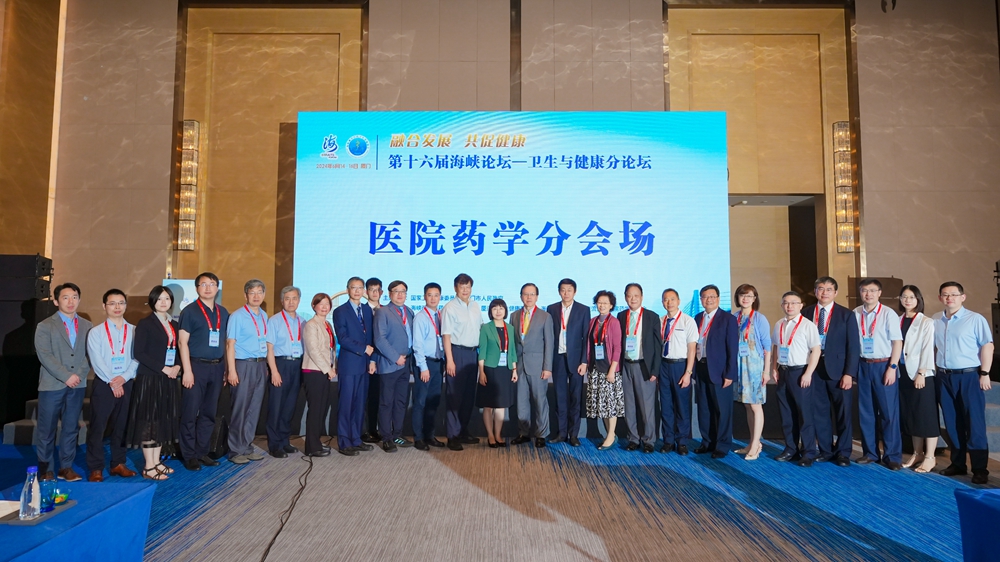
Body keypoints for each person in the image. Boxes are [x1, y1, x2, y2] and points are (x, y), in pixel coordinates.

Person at [933, 281, 994, 485]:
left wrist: (985, 373)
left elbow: (987, 346)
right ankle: (958, 463)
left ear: (962, 297)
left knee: (974, 423)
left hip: (969, 376)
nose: (949, 298)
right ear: (940, 298)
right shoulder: (936, 319)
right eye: (945, 294)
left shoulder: (975, 319)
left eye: (954, 294)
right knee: (952, 422)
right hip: (944, 376)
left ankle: (980, 468)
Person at [34, 282, 92, 482]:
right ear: (56, 301)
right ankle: (46, 469)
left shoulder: (87, 325)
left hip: (77, 385)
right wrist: (66, 376)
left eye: (74, 297)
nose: (70, 301)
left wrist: (79, 374)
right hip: (52, 385)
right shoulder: (45, 326)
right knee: (47, 430)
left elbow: (90, 354)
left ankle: (66, 467)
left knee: (71, 428)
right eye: (65, 297)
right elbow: (45, 355)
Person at [126, 285, 181, 480]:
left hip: (168, 379)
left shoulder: (174, 324)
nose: (163, 302)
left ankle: (157, 462)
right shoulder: (145, 323)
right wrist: (163, 368)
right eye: (159, 299)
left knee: (161, 421)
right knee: (149, 422)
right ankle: (148, 466)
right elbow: (139, 353)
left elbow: (178, 349)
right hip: (150, 378)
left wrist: (177, 366)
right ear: (152, 302)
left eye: (167, 298)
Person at [803, 276, 859, 467]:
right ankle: (826, 450)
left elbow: (853, 347)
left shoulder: (846, 315)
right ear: (815, 291)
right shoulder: (806, 313)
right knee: (819, 412)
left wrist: (849, 373)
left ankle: (843, 452)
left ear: (835, 293)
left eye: (828, 289)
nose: (824, 292)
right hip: (814, 369)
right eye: (820, 288)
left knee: (843, 412)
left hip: (839, 371)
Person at [84, 289, 138, 482]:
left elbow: (137, 358)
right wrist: (113, 381)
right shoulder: (96, 332)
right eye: (112, 303)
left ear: (125, 305)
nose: (117, 307)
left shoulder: (134, 331)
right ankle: (96, 467)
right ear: (104, 306)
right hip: (104, 383)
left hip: (127, 382)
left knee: (122, 425)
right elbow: (96, 360)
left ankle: (118, 463)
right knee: (98, 427)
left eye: (121, 303)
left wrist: (123, 378)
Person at [178, 272, 230, 471]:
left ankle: (202, 452)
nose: (208, 288)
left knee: (209, 412)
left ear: (217, 288)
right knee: (190, 412)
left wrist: (225, 369)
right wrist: (187, 371)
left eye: (212, 284)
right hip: (196, 367)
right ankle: (189, 455)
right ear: (197, 288)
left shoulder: (223, 312)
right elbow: (182, 343)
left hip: (217, 367)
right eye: (203, 284)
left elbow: (225, 342)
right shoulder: (189, 311)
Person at [853, 278, 904, 469]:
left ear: (879, 293)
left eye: (872, 290)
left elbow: (897, 342)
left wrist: (892, 367)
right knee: (866, 412)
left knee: (889, 413)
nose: (868, 294)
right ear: (860, 293)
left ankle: (892, 456)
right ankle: (871, 453)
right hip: (863, 365)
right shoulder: (855, 313)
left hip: (884, 365)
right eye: (865, 290)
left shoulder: (888, 314)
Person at [772, 291, 822, 467]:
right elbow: (776, 347)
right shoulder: (779, 324)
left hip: (800, 372)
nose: (789, 306)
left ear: (801, 305)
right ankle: (790, 449)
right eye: (786, 302)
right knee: (786, 413)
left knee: (804, 414)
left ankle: (808, 452)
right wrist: (774, 367)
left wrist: (808, 373)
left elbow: (816, 350)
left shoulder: (808, 325)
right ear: (782, 305)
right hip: (783, 371)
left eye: (794, 302)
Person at [225, 279, 270, 465]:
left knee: (254, 408)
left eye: (259, 292)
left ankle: (247, 446)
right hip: (243, 365)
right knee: (240, 408)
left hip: (260, 365)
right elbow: (230, 344)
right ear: (246, 295)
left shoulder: (264, 316)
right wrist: (231, 371)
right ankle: (235, 450)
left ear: (264, 295)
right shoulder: (237, 316)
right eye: (252, 292)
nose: (256, 296)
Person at [332, 278, 376, 455]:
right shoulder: (340, 311)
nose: (357, 291)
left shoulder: (367, 309)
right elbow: (342, 338)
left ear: (364, 290)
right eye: (353, 288)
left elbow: (371, 336)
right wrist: (363, 348)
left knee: (359, 404)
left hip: (365, 364)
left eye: (360, 288)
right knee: (346, 404)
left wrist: (372, 360)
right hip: (349, 364)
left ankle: (356, 439)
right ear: (347, 289)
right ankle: (344, 442)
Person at [693, 284, 739, 459]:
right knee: (704, 408)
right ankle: (707, 442)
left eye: (712, 296)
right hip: (701, 367)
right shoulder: (697, 318)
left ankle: (722, 445)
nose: (709, 299)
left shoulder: (728, 319)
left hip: (720, 372)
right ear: (701, 300)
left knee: (722, 410)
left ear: (718, 299)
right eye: (705, 297)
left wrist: (730, 374)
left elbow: (732, 349)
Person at [897, 285, 937, 473]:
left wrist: (922, 372)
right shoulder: (897, 320)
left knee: (926, 415)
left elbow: (927, 349)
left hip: (920, 374)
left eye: (912, 297)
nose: (907, 300)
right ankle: (917, 453)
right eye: (904, 297)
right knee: (911, 414)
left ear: (918, 299)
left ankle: (930, 457)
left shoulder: (926, 322)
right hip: (902, 373)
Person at [617, 283, 662, 453]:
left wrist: (655, 371)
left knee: (646, 407)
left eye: (636, 295)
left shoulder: (652, 316)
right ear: (625, 297)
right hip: (626, 366)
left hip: (644, 367)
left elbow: (658, 346)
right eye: (629, 295)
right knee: (629, 406)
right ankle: (633, 439)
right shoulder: (621, 316)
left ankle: (649, 440)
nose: (633, 299)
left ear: (642, 297)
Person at [546, 278, 590, 446]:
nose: (566, 293)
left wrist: (584, 361)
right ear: (559, 292)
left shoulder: (583, 310)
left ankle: (573, 435)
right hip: (558, 358)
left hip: (576, 360)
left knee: (575, 398)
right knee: (560, 397)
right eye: (563, 290)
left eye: (569, 290)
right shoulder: (552, 309)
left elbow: (586, 337)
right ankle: (561, 432)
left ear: (575, 292)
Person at [373, 280, 416, 452]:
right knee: (386, 402)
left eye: (403, 291)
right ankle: (386, 438)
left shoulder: (410, 311)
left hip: (406, 364)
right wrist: (395, 357)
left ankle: (397, 434)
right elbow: (379, 339)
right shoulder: (382, 312)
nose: (400, 294)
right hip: (390, 363)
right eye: (396, 291)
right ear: (389, 293)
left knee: (400, 401)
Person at [442, 273, 483, 451]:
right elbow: (446, 336)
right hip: (457, 353)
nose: (465, 290)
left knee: (468, 396)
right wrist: (450, 360)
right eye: (461, 286)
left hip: (473, 354)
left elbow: (481, 329)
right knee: (454, 397)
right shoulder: (450, 308)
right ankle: (452, 436)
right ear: (455, 288)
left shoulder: (475, 306)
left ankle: (463, 431)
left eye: (468, 287)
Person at [731, 284, 772, 461]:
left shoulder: (760, 319)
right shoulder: (734, 317)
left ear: (755, 298)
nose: (745, 299)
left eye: (749, 296)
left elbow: (767, 347)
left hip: (755, 367)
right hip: (739, 365)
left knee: (755, 405)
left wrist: (766, 371)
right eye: (742, 295)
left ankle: (756, 444)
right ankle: (751, 442)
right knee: (747, 405)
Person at [511, 284, 554, 448]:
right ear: (521, 296)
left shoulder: (545, 316)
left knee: (540, 401)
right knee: (521, 401)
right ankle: (523, 433)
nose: (528, 297)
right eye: (525, 294)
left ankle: (541, 434)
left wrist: (547, 367)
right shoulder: (514, 316)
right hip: (520, 365)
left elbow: (549, 344)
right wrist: (513, 366)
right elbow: (513, 343)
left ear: (537, 296)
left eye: (532, 294)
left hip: (538, 366)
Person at [657, 289, 698, 455]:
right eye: (666, 299)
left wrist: (688, 372)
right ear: (662, 303)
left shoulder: (688, 321)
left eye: (672, 299)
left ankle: (682, 442)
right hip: (663, 366)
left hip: (681, 367)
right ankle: (668, 440)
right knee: (666, 406)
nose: (669, 302)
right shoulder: (660, 321)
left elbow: (692, 349)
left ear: (679, 301)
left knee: (682, 406)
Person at [265, 286, 304, 458]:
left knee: (289, 405)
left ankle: (284, 441)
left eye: (294, 298)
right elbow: (269, 348)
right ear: (282, 301)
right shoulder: (274, 321)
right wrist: (274, 371)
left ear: (299, 301)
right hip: (280, 364)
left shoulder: (303, 321)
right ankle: (274, 445)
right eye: (287, 298)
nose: (291, 302)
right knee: (276, 406)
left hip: (297, 364)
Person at [584, 291, 624, 450]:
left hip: (609, 369)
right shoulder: (593, 321)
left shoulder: (614, 322)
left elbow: (617, 348)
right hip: (595, 368)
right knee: (601, 404)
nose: (602, 305)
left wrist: (612, 370)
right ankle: (610, 434)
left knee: (610, 404)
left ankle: (611, 435)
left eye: (605, 303)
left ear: (611, 305)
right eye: (599, 302)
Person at [477, 299, 518, 447]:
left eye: (501, 308)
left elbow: (512, 350)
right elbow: (482, 351)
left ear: (505, 310)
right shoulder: (486, 328)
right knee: (488, 405)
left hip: (505, 370)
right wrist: (481, 372)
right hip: (490, 369)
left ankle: (498, 435)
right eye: (495, 309)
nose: (498, 311)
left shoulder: (510, 328)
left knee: (501, 405)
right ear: (490, 311)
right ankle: (490, 435)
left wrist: (514, 369)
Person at [412, 282, 446, 450]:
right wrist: (423, 367)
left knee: (433, 402)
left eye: (436, 295)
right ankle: (418, 438)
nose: (433, 298)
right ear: (424, 297)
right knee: (420, 402)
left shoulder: (441, 315)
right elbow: (417, 345)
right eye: (430, 295)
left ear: (440, 297)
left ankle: (429, 435)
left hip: (438, 363)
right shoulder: (420, 317)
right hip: (425, 364)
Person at [302, 293, 337, 457]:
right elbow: (313, 350)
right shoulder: (311, 325)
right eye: (320, 304)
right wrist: (328, 369)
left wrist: (333, 367)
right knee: (315, 409)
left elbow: (330, 350)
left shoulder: (327, 324)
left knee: (321, 409)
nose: (324, 307)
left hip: (324, 371)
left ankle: (316, 441)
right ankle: (311, 447)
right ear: (313, 306)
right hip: (314, 371)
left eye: (327, 304)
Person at [361, 277, 384, 444]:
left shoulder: (385, 310)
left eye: (377, 290)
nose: (375, 293)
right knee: (364, 397)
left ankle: (373, 429)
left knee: (377, 396)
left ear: (381, 292)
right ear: (366, 292)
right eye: (371, 290)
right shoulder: (361, 310)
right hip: (366, 360)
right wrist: (372, 359)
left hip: (383, 362)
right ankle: (363, 430)